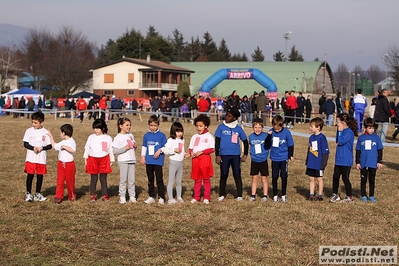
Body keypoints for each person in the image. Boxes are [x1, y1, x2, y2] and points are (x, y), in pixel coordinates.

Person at [215, 107, 249, 201]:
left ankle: (239, 195)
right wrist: (217, 155)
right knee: (224, 174)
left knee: (237, 175)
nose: (226, 117)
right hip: (224, 155)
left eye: (229, 116)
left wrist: (245, 154)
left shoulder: (238, 129)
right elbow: (217, 141)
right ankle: (221, 194)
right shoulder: (221, 127)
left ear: (234, 118)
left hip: (235, 155)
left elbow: (245, 141)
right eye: (226, 115)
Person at [22, 111, 52, 202]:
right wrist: (33, 148)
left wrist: (42, 148)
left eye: (36, 123)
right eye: (32, 122)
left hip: (41, 159)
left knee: (40, 176)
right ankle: (28, 193)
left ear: (42, 122)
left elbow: (49, 145)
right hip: (31, 158)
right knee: (30, 175)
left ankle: (38, 194)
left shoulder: (46, 132)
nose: (33, 124)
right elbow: (25, 143)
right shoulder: (29, 131)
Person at [84, 119, 114, 202]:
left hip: (104, 159)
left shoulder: (108, 138)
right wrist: (85, 158)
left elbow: (110, 149)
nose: (95, 130)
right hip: (92, 159)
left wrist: (112, 160)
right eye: (94, 128)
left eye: (97, 128)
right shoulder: (91, 137)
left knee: (103, 179)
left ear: (103, 128)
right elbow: (87, 148)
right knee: (93, 179)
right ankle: (92, 195)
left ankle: (105, 195)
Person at [330, 113, 358, 203]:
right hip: (339, 159)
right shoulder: (340, 131)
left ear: (343, 122)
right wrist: (339, 131)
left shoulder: (349, 132)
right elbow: (337, 141)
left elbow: (341, 142)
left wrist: (340, 131)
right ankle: (335, 194)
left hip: (346, 160)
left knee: (345, 178)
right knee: (335, 177)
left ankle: (349, 196)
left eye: (338, 121)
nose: (337, 123)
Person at [266, 115, 294, 202]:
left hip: (283, 158)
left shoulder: (287, 133)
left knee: (284, 176)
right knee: (274, 176)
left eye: (279, 129)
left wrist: (290, 155)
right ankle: (275, 195)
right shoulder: (271, 132)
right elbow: (267, 145)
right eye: (275, 129)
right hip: (274, 158)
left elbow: (290, 145)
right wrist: (269, 136)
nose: (277, 130)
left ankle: (283, 195)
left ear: (282, 126)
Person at [140, 115, 167, 204]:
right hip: (149, 161)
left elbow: (166, 147)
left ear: (158, 125)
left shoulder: (162, 135)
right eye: (151, 125)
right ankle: (151, 196)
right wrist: (143, 156)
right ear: (148, 125)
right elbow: (144, 146)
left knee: (159, 179)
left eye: (155, 125)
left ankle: (161, 197)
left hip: (158, 162)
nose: (153, 127)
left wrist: (160, 150)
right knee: (150, 179)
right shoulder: (146, 136)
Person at [355, 118, 383, 203]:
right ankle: (363, 195)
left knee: (372, 180)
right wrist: (357, 162)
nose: (371, 130)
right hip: (363, 163)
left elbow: (380, 150)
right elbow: (358, 151)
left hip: (373, 163)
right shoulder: (361, 138)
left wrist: (379, 161)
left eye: (372, 128)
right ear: (365, 128)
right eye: (369, 128)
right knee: (363, 180)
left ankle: (371, 195)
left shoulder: (376, 138)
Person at [188, 114, 215, 204]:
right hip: (195, 160)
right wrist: (191, 152)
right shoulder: (194, 137)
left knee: (206, 178)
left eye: (201, 126)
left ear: (206, 126)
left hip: (205, 159)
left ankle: (206, 197)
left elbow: (212, 149)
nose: (198, 128)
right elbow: (191, 147)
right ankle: (196, 197)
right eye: (197, 126)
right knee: (197, 179)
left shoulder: (209, 136)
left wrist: (202, 152)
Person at [47, 124, 76, 204]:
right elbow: (54, 146)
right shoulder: (62, 142)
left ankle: (72, 195)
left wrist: (65, 147)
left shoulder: (71, 141)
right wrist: (50, 136)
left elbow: (73, 150)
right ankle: (59, 196)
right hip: (61, 164)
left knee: (70, 181)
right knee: (60, 181)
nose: (60, 134)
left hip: (69, 164)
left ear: (64, 133)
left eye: (60, 132)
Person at [112, 117, 138, 204]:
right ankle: (122, 196)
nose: (129, 127)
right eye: (127, 125)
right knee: (123, 180)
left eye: (130, 125)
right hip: (123, 161)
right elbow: (115, 151)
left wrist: (135, 146)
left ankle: (132, 196)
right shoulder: (118, 137)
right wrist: (125, 148)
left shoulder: (130, 135)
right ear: (120, 126)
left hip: (132, 160)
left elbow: (133, 147)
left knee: (132, 180)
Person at [305, 117, 329, 201]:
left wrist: (323, 163)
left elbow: (325, 152)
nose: (310, 128)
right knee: (311, 178)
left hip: (319, 163)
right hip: (311, 163)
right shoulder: (311, 137)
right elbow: (309, 150)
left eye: (312, 126)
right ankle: (311, 194)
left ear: (318, 127)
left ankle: (320, 195)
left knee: (319, 179)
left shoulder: (322, 138)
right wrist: (307, 161)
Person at [163, 122, 186, 204]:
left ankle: (179, 196)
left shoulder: (182, 140)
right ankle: (170, 198)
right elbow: (165, 150)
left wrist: (185, 154)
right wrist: (173, 150)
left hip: (180, 163)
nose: (179, 133)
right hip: (173, 162)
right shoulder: (170, 140)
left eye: (181, 131)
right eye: (177, 131)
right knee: (171, 181)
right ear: (173, 131)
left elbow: (182, 151)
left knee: (179, 181)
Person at [248, 118, 270, 202]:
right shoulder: (251, 136)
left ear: (262, 128)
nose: (257, 129)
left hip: (263, 160)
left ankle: (265, 195)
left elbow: (268, 146)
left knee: (264, 179)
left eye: (259, 127)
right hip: (254, 161)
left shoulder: (265, 136)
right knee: (254, 178)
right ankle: (253, 195)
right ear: (253, 127)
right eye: (255, 127)